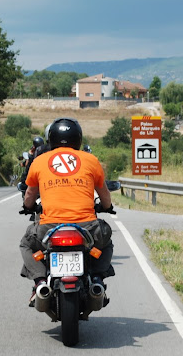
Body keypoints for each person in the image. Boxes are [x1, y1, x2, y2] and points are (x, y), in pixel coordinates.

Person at [18, 117, 115, 305]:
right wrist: (107, 207)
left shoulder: (39, 161)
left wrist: (27, 207)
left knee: (26, 244)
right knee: (106, 242)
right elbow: (104, 194)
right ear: (78, 138)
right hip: (88, 228)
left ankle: (39, 282)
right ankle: (96, 279)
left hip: (49, 228)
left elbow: (29, 195)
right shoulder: (91, 160)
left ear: (51, 138)